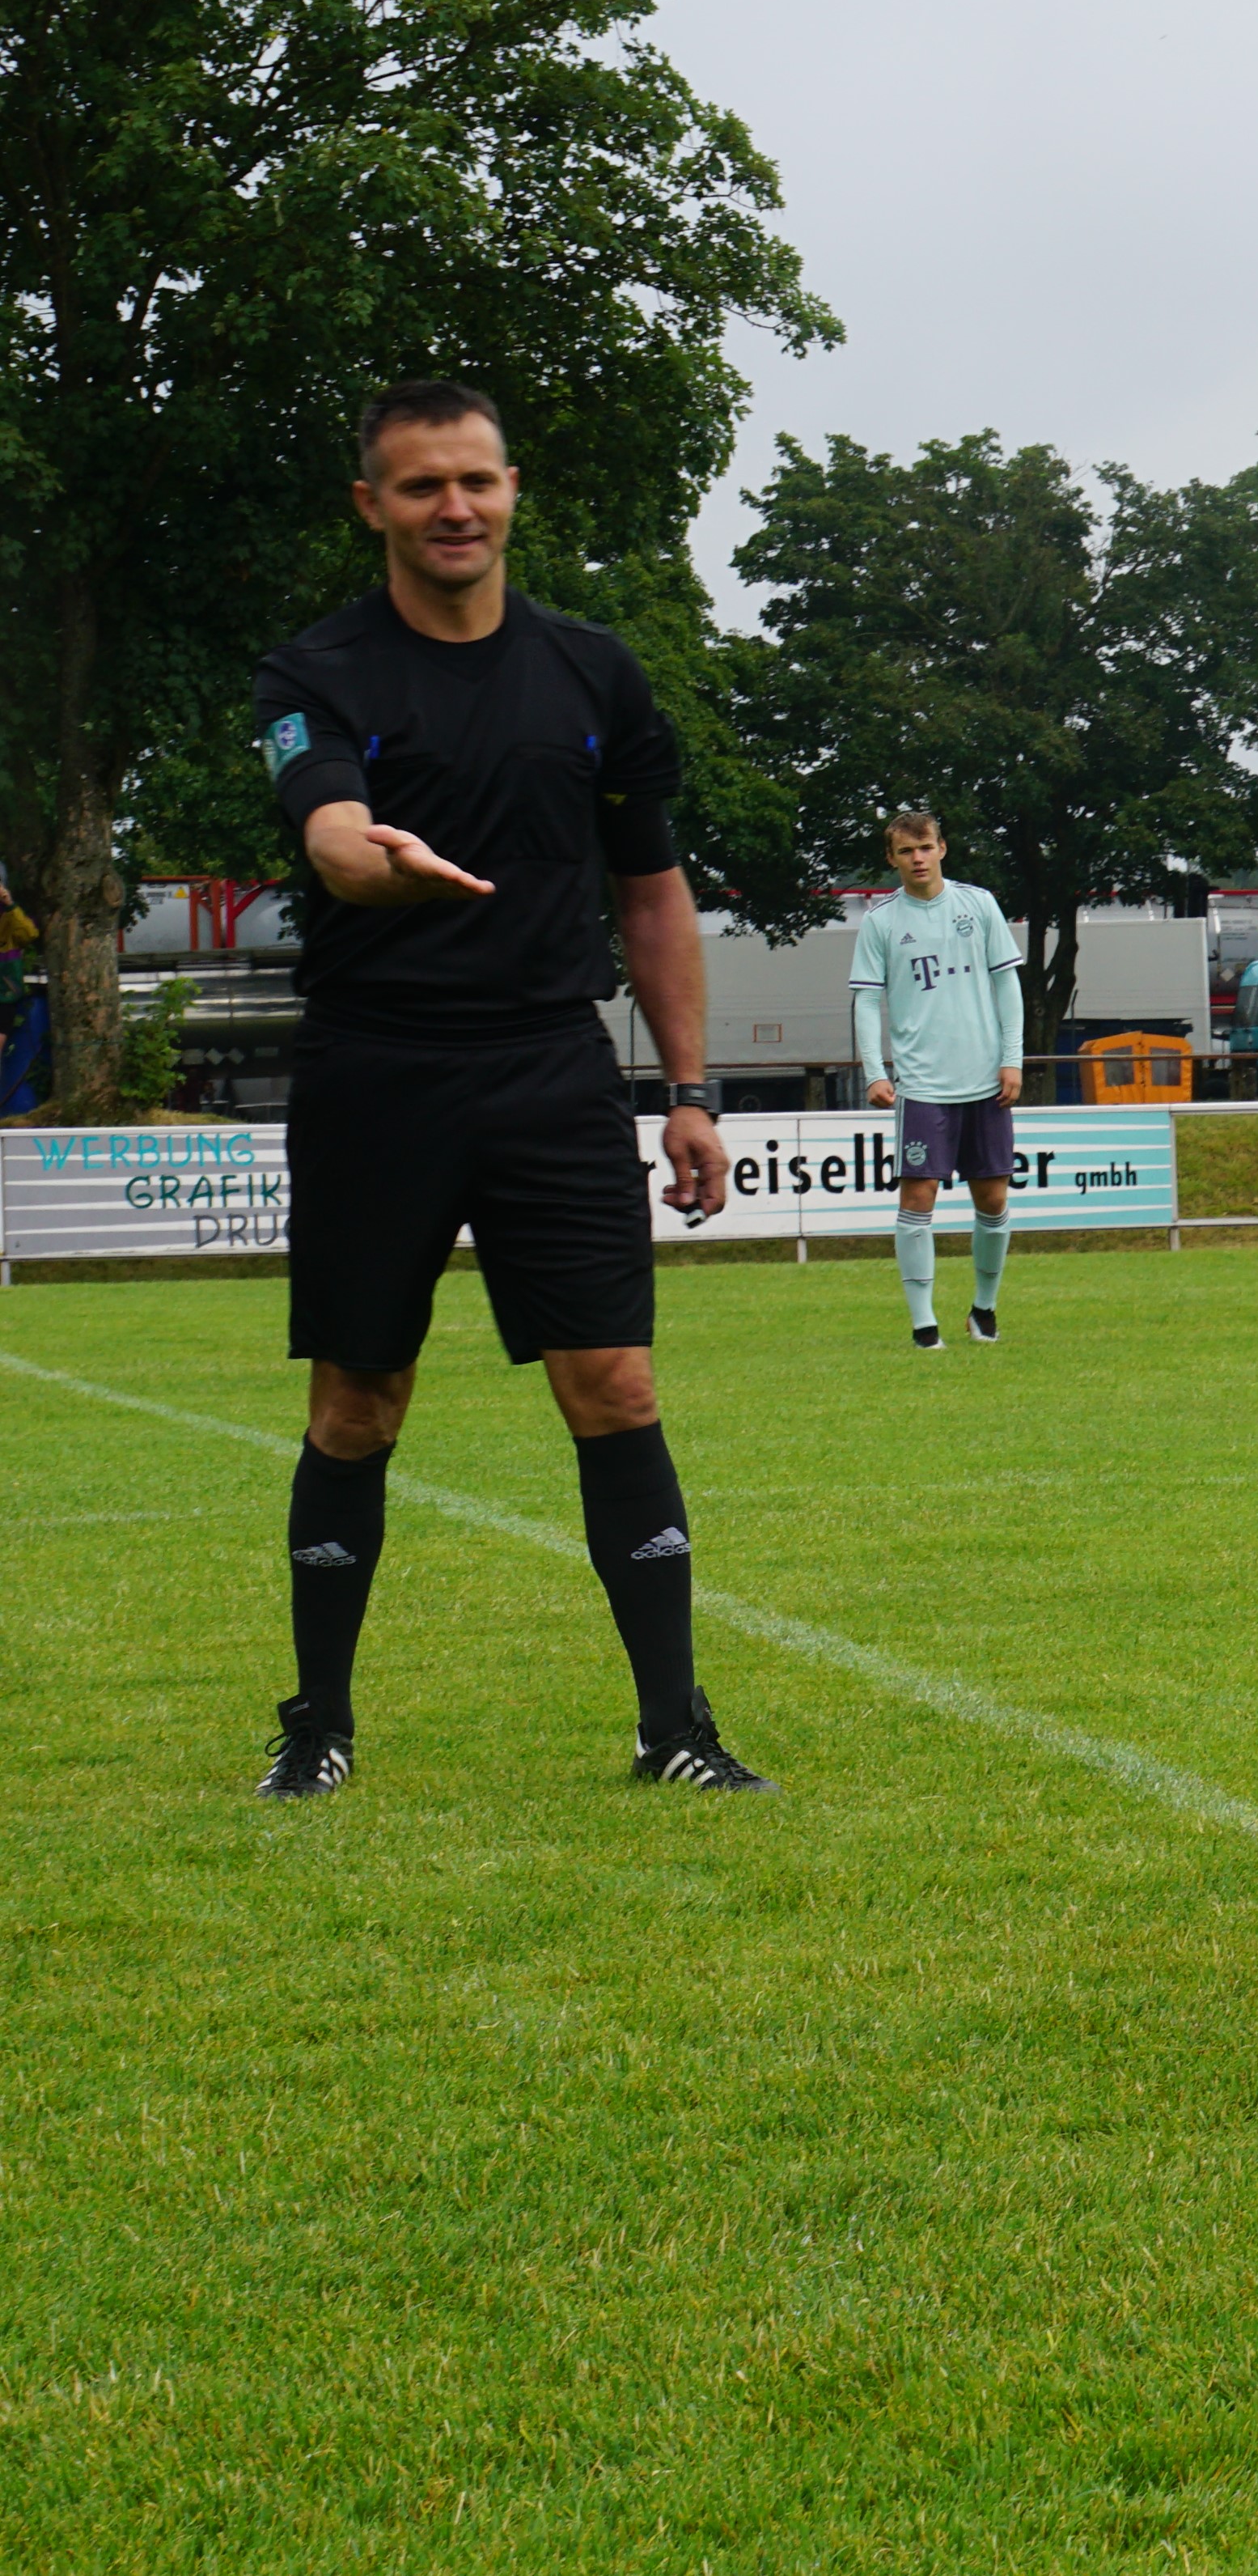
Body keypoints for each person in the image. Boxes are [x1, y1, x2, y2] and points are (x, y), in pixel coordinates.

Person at [247, 379, 770, 1798]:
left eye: (475, 479)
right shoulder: (317, 674)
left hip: (553, 1072)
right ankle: (319, 1726)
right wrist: (377, 858)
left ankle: (678, 1732)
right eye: (421, 486)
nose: (454, 507)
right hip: (377, 1075)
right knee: (360, 1399)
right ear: (374, 506)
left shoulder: (597, 674)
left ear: (513, 488)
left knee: (614, 1382)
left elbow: (651, 894)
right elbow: (332, 834)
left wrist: (692, 1090)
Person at [852, 809, 1029, 1343]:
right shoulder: (881, 922)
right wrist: (874, 1070)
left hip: (984, 1078)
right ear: (892, 859)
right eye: (906, 852)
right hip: (923, 1085)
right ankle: (924, 1324)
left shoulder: (978, 905)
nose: (918, 858)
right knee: (919, 1195)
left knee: (993, 1198)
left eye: (925, 847)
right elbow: (865, 999)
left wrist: (1013, 1057)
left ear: (942, 848)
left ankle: (984, 1308)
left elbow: (1007, 986)